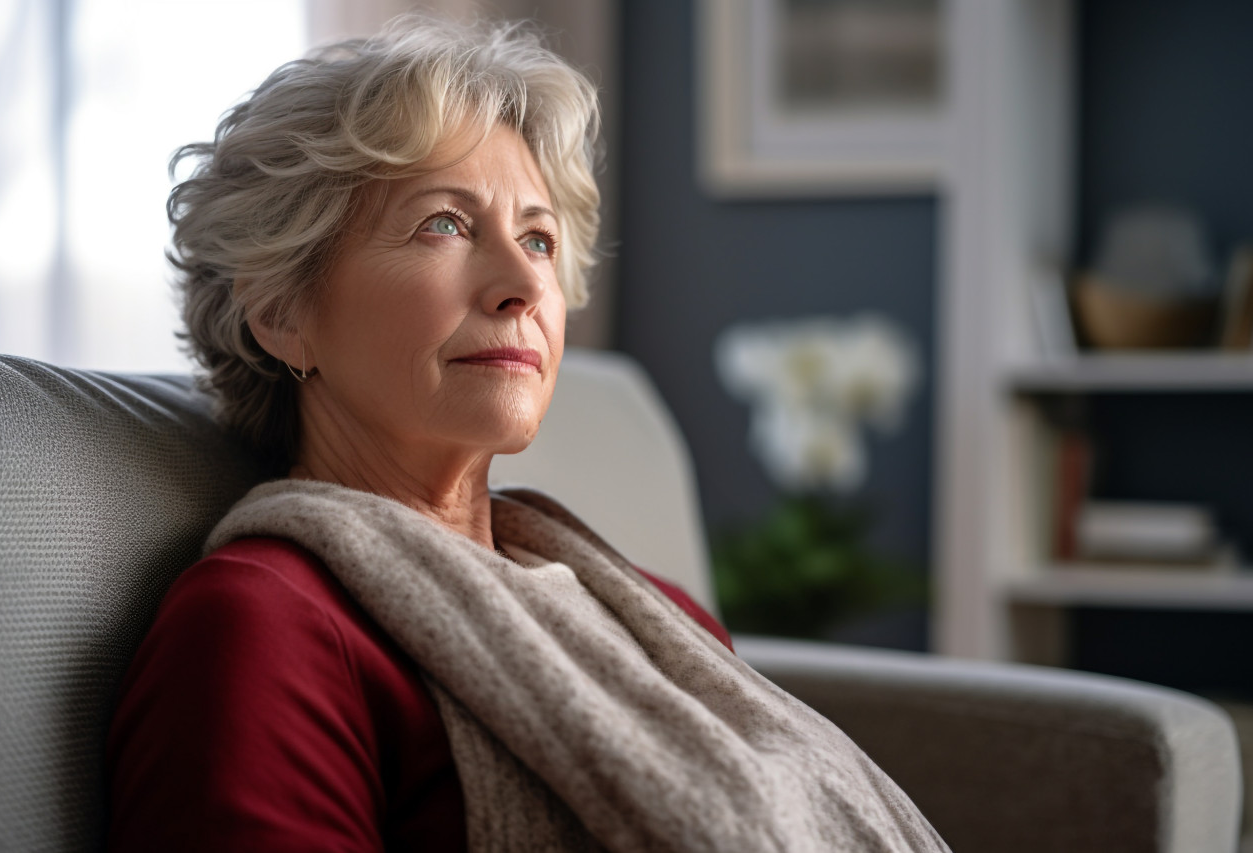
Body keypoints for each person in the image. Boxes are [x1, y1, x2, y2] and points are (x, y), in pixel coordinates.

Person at [105, 15, 949, 852]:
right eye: (445, 223)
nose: (522, 285)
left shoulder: (656, 616)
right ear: (281, 313)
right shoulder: (261, 625)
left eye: (538, 238)